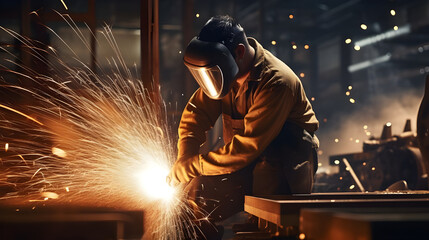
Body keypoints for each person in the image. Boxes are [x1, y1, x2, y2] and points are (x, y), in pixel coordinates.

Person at [167, 15, 319, 239]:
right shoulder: (222, 74)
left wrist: (195, 165)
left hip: (285, 163)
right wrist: (186, 156)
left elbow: (247, 147)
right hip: (243, 163)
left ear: (238, 52)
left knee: (268, 219)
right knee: (195, 202)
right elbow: (196, 114)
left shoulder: (276, 82)